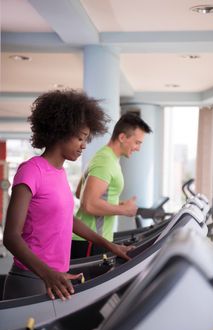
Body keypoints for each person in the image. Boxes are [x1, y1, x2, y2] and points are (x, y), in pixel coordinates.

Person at [2, 89, 134, 301]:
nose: (84, 145)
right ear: (60, 131)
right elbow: (11, 237)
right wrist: (48, 274)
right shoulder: (31, 170)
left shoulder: (60, 173)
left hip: (56, 279)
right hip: (31, 279)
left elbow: (67, 220)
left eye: (86, 139)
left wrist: (109, 245)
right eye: (80, 138)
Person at [71, 112, 152, 258]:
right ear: (122, 137)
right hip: (89, 241)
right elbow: (88, 204)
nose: (138, 148)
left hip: (92, 240)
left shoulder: (106, 157)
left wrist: (117, 203)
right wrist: (123, 210)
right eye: (137, 142)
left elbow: (80, 193)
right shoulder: (105, 162)